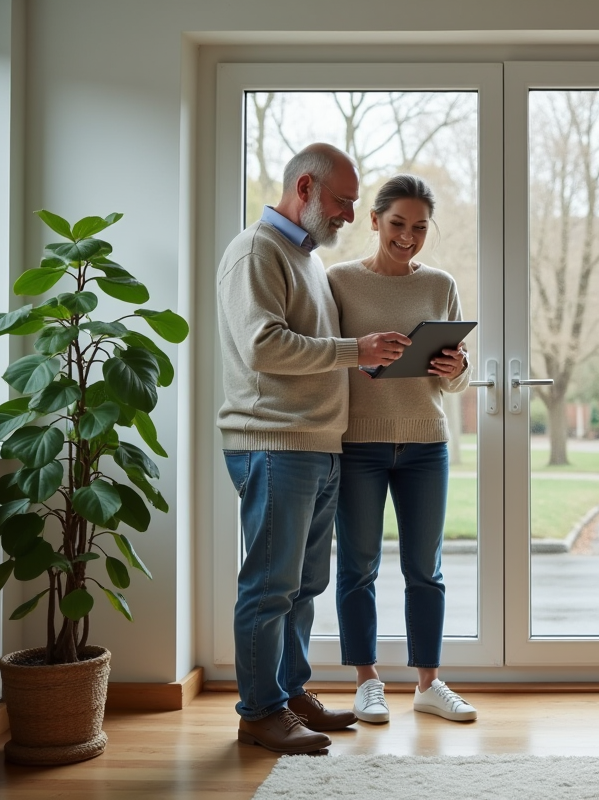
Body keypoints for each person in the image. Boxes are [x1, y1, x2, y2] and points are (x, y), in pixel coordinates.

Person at [216, 143, 412, 754]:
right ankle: (259, 714)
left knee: (303, 587)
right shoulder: (256, 251)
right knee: (270, 587)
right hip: (274, 444)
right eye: (343, 202)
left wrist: (376, 360)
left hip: (318, 446)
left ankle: (290, 693)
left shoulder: (304, 259)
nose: (350, 216)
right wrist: (356, 351)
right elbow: (265, 346)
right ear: (304, 188)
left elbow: (313, 349)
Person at [327, 174, 478, 724]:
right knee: (358, 566)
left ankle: (428, 683)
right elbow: (326, 356)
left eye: (418, 227)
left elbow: (457, 381)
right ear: (374, 220)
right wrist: (357, 358)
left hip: (425, 444)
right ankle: (367, 682)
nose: (408, 236)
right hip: (358, 444)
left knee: (425, 568)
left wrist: (457, 367)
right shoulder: (338, 281)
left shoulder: (439, 284)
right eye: (397, 224)